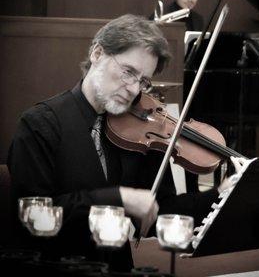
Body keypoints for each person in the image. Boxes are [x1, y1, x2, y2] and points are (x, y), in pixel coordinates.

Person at [7, 14, 242, 272]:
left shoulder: (141, 132)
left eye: (143, 81)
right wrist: (118, 198)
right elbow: (33, 217)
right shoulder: (40, 124)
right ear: (97, 53)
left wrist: (219, 195)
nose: (133, 89)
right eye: (128, 72)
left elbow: (160, 211)